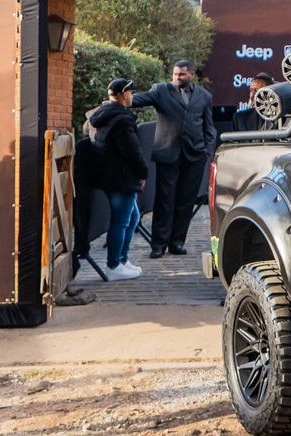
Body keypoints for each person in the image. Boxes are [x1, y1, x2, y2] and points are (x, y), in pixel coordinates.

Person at [101, 59, 214, 259]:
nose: (177, 78)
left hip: (195, 155)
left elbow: (209, 126)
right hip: (168, 154)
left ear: (191, 75)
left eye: (181, 74)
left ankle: (177, 242)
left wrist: (206, 151)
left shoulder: (204, 96)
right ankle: (159, 245)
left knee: (186, 201)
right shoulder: (161, 90)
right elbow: (139, 99)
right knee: (164, 200)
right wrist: (116, 102)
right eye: (175, 74)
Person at [87, 78, 149, 280]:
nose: (132, 96)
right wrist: (143, 173)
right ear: (124, 95)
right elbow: (132, 151)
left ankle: (121, 260)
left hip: (111, 176)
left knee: (132, 218)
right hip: (121, 178)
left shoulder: (105, 115)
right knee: (121, 221)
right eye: (131, 92)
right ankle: (114, 266)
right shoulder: (122, 119)